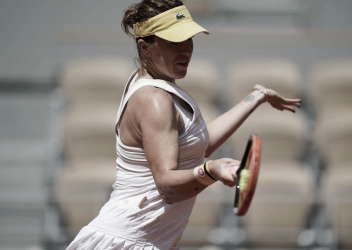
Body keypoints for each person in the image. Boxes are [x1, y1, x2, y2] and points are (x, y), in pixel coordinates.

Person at [66, 0, 301, 249]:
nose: (186, 49)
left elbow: (197, 146)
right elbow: (168, 187)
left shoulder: (162, 87)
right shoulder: (155, 100)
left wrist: (256, 97)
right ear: (145, 48)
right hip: (125, 242)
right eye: (174, 42)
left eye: (189, 38)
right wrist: (212, 170)